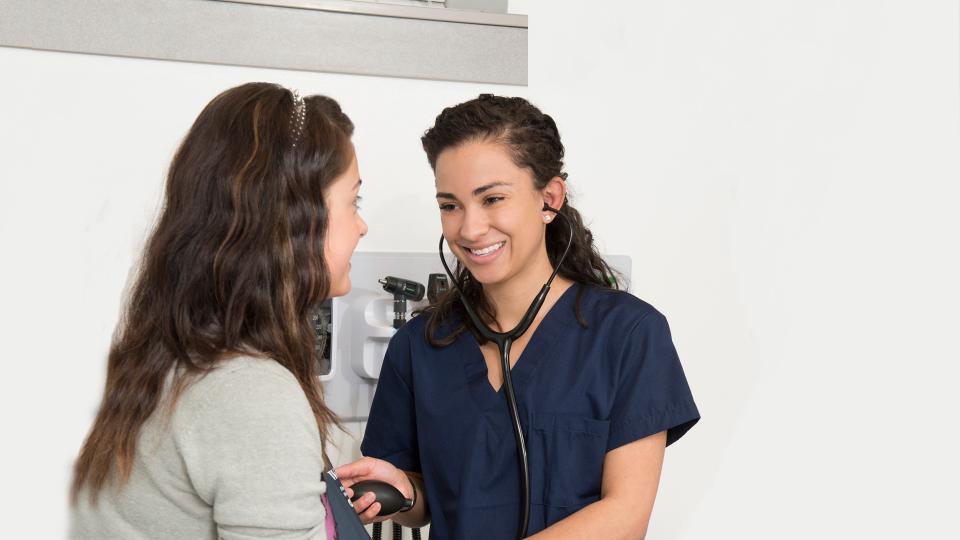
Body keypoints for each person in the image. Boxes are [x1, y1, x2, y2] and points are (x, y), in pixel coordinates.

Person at [337, 95, 700, 539]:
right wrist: (407, 495)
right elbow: (430, 499)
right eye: (450, 205)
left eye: (492, 199)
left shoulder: (628, 334)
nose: (469, 229)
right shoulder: (419, 346)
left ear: (549, 199)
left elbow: (626, 516)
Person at [69, 82, 367, 539]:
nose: (362, 226)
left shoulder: (169, 356)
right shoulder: (251, 394)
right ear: (297, 219)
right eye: (353, 202)